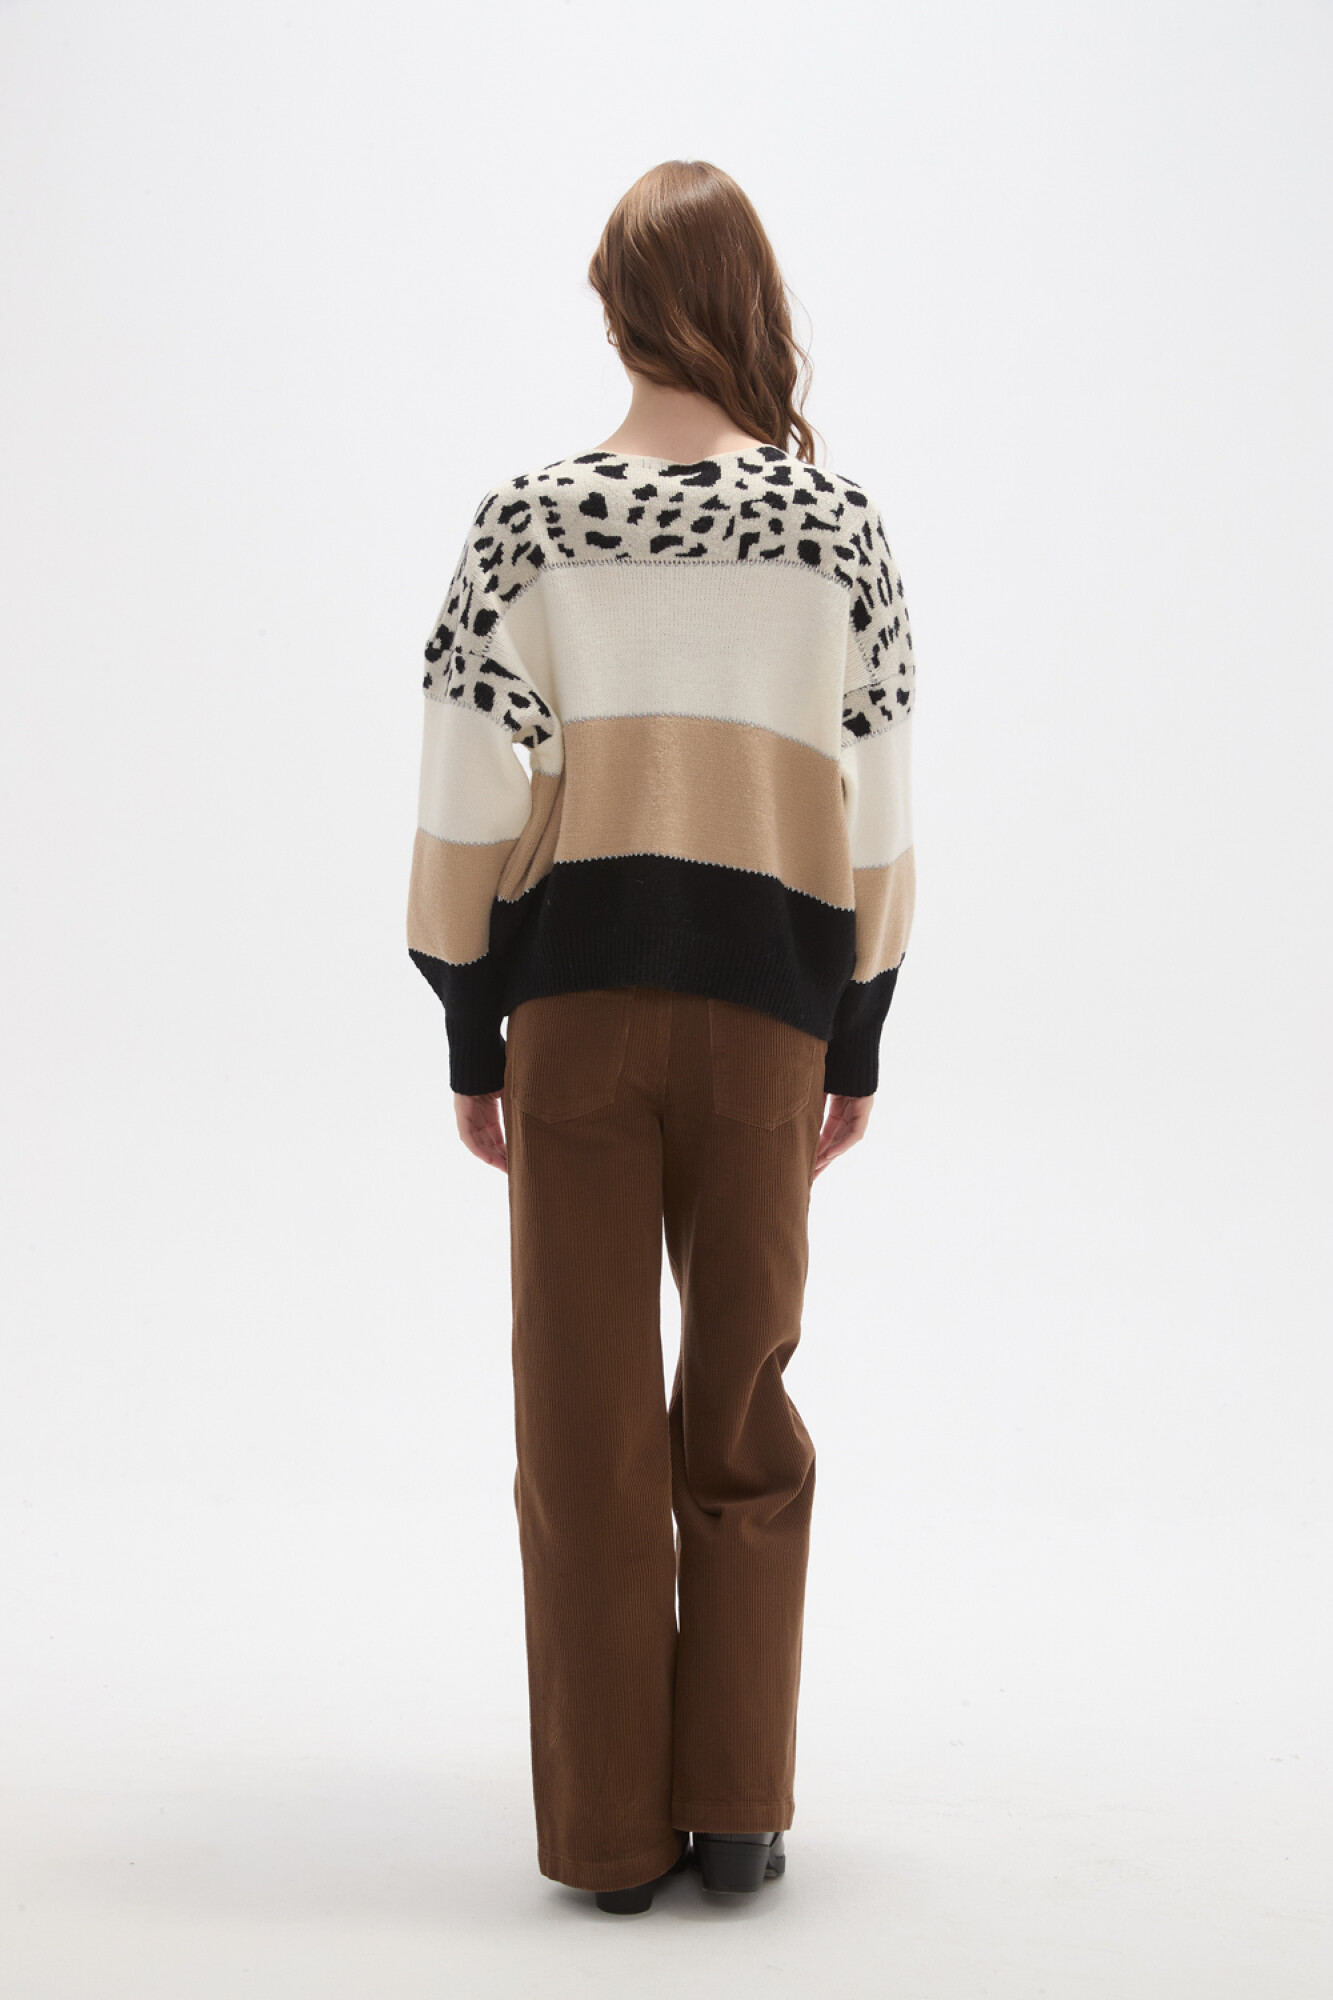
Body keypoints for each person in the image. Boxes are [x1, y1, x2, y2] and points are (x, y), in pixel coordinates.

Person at [406, 159, 916, 1915]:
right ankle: (737, 1810)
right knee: (742, 1403)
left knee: (582, 1422)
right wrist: (856, 1034)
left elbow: (466, 786)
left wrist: (470, 1027)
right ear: (748, 305)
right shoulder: (836, 531)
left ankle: (609, 1841)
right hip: (767, 1018)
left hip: (573, 1016)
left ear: (615, 311)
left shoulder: (527, 522)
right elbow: (877, 801)